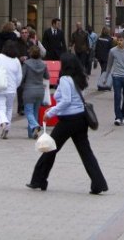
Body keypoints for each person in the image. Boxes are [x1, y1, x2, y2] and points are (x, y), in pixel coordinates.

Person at [26, 52, 108, 194]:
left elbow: (66, 101)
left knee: (50, 148)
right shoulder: (79, 78)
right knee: (86, 153)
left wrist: (49, 113)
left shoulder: (65, 79)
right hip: (81, 119)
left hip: (68, 120)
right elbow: (66, 97)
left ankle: (38, 179)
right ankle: (98, 183)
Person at [0, 39, 23, 139]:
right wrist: (15, 86)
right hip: (11, 89)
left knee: (0, 107)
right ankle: (7, 127)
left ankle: (3, 123)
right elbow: (19, 77)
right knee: (9, 108)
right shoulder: (16, 61)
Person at [21, 44, 49, 139]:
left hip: (29, 90)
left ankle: (35, 126)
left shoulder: (26, 63)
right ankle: (31, 133)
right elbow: (47, 76)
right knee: (36, 112)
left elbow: (22, 77)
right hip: (40, 91)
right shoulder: (43, 64)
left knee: (28, 111)